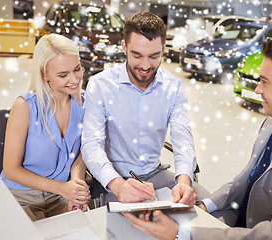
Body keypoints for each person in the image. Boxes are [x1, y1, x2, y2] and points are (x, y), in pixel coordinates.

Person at [123, 34, 272, 239]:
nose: (257, 90)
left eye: (265, 82)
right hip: (238, 223)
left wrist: (182, 232)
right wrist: (203, 206)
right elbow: (246, 179)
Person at [81, 12, 210, 206]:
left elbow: (183, 138)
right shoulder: (100, 85)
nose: (145, 65)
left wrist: (184, 180)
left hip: (157, 175)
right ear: (124, 47)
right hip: (118, 180)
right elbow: (91, 144)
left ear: (163, 49)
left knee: (215, 208)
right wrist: (117, 185)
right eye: (137, 55)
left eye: (154, 56)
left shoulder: (173, 87)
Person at [0, 33, 91, 221]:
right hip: (20, 197)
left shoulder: (86, 103)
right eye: (63, 75)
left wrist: (76, 185)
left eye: (77, 69)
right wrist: (63, 189)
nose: (74, 79)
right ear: (44, 74)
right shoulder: (25, 107)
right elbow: (11, 169)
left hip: (61, 195)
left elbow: (84, 150)